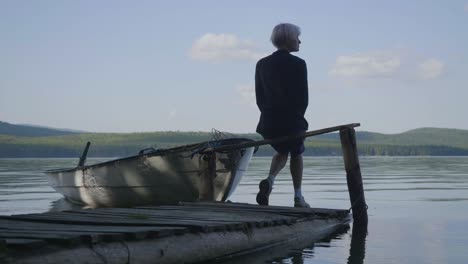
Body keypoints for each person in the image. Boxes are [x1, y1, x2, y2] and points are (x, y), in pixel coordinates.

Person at [255, 23, 310, 208]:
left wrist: (269, 115)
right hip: (291, 121)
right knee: (297, 151)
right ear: (288, 39)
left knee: (281, 150)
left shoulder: (261, 64)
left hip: (267, 123)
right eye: (297, 37)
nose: (300, 41)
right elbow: (303, 98)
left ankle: (270, 180)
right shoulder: (298, 64)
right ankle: (298, 197)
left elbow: (259, 97)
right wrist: (298, 120)